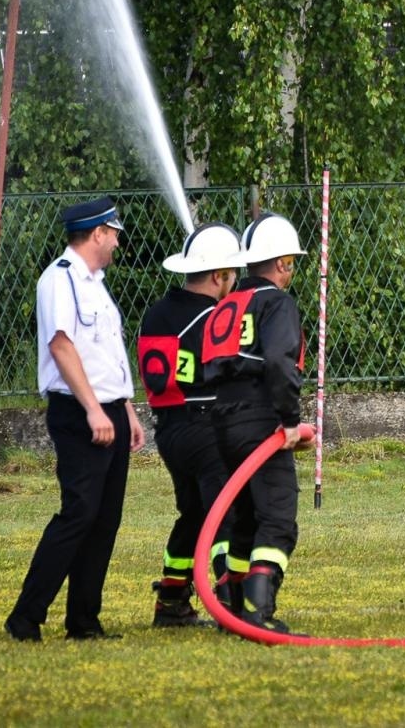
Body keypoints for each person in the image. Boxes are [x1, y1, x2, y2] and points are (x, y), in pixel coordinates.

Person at [5, 197, 145, 642]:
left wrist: (124, 407)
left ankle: (84, 620)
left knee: (105, 519)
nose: (119, 241)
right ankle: (25, 617)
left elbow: (104, 352)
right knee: (79, 513)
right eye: (114, 233)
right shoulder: (59, 279)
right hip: (80, 410)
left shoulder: (95, 283)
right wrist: (92, 409)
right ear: (98, 232)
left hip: (109, 409)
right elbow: (61, 346)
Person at [201, 212, 308, 633]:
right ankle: (258, 612)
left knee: (244, 518)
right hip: (262, 419)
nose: (290, 272)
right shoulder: (276, 303)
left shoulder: (224, 305)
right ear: (281, 263)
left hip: (222, 422)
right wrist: (290, 422)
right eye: (291, 264)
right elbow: (280, 364)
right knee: (278, 514)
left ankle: (233, 605)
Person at [138, 221, 247, 627]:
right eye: (232, 274)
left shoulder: (158, 313)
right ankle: (232, 606)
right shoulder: (216, 319)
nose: (234, 282)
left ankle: (171, 601)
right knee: (225, 513)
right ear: (219, 276)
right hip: (205, 428)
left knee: (195, 515)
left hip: (168, 430)